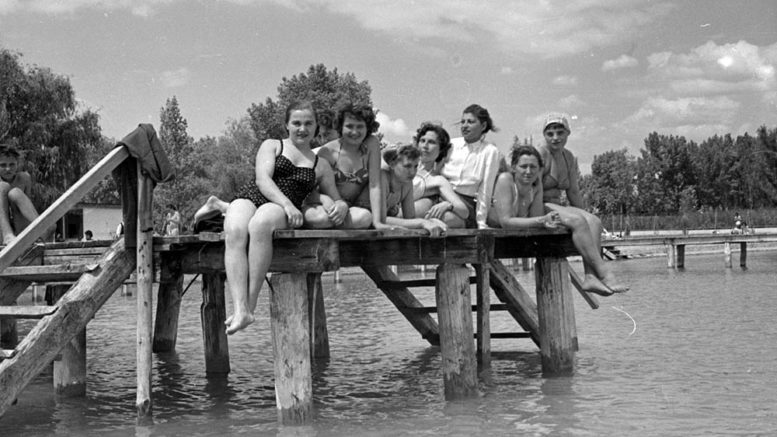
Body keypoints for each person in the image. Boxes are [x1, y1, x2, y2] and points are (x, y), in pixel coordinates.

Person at [223, 100, 348, 335]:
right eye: (297, 123)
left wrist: (341, 206)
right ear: (287, 125)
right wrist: (288, 204)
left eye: (308, 123)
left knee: (260, 224)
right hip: (256, 196)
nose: (302, 128)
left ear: (316, 127)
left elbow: (336, 197)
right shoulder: (272, 145)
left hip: (279, 210)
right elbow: (262, 179)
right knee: (234, 229)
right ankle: (239, 308)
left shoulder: (320, 164)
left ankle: (249, 307)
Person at [538, 113, 628, 295]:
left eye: (560, 132)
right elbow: (533, 189)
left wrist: (586, 215)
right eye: (550, 133)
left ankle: (590, 277)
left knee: (593, 221)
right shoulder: (541, 154)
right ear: (545, 136)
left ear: (568, 134)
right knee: (578, 221)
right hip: (538, 204)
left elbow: (573, 191)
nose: (555, 138)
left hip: (558, 205)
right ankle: (605, 273)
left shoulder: (568, 157)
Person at [303, 103, 386, 229]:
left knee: (365, 217)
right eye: (349, 126)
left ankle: (336, 227)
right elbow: (307, 193)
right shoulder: (327, 152)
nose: (354, 132)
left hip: (350, 210)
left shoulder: (372, 144)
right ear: (340, 127)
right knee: (321, 219)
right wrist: (328, 201)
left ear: (367, 128)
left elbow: (375, 185)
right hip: (324, 207)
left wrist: (378, 222)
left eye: (360, 127)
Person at [439, 104, 502, 229]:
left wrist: (481, 222)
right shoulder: (451, 144)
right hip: (440, 194)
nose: (464, 126)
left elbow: (486, 189)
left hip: (465, 204)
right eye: (463, 122)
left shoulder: (490, 151)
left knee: (445, 219)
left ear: (483, 126)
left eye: (470, 122)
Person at [379, 144, 447, 236]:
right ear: (392, 164)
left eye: (415, 166)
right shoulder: (382, 179)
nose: (413, 172)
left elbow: (410, 218)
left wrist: (430, 221)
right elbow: (380, 220)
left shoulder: (407, 182)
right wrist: (422, 223)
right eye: (407, 166)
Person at [411, 122, 469, 222]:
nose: (425, 145)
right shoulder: (402, 163)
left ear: (441, 149)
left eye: (431, 142)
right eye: (422, 140)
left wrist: (448, 205)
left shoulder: (437, 179)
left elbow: (464, 211)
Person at [0, 143, 41, 244]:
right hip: (2, 229)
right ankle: (7, 235)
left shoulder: (24, 179)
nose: (8, 169)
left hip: (20, 228)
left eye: (12, 164)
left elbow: (28, 207)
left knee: (15, 193)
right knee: (3, 186)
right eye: (3, 165)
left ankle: (41, 229)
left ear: (17, 164)